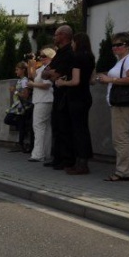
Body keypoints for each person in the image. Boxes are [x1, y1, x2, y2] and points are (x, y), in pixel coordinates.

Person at [95, 32, 129, 181]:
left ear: (128, 46)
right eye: (113, 45)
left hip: (124, 104)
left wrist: (110, 79)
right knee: (125, 137)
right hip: (121, 103)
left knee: (120, 139)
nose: (115, 48)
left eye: (119, 45)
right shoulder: (123, 60)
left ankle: (122, 172)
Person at [59, 32, 95, 175]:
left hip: (75, 98)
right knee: (83, 130)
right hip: (86, 96)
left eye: (73, 42)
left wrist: (62, 82)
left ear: (77, 42)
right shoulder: (90, 57)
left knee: (77, 131)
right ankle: (82, 162)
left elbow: (75, 81)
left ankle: (81, 164)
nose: (72, 44)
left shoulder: (76, 58)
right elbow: (92, 80)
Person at [43, 26, 76, 170]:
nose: (54, 37)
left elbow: (58, 74)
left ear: (63, 35)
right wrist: (51, 73)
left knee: (64, 127)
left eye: (56, 35)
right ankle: (57, 157)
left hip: (66, 95)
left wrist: (52, 73)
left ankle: (66, 159)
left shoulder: (69, 53)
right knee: (56, 126)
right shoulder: (59, 53)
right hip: (57, 93)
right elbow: (45, 73)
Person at [27, 48, 56, 163]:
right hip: (42, 99)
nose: (41, 58)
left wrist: (33, 85)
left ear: (50, 57)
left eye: (44, 56)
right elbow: (32, 75)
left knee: (38, 126)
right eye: (40, 56)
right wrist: (31, 62)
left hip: (44, 100)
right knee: (46, 127)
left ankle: (38, 154)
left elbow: (47, 85)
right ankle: (45, 153)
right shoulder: (41, 69)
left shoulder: (49, 68)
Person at [8, 62, 33, 154]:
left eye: (17, 69)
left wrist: (15, 91)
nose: (16, 71)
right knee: (12, 121)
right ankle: (21, 142)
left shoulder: (24, 81)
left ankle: (21, 143)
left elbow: (25, 95)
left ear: (23, 70)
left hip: (21, 107)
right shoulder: (20, 80)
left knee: (9, 119)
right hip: (17, 106)